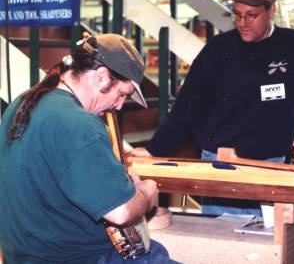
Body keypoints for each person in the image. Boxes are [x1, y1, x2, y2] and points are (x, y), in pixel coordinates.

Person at [129, 0, 294, 214]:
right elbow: (186, 108)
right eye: (238, 14)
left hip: (271, 168)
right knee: (221, 244)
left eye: (252, 15)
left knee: (269, 247)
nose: (243, 22)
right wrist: (153, 150)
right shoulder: (218, 49)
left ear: (271, 10)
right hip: (219, 166)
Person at [0, 33, 179, 264]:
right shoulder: (79, 122)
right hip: (78, 258)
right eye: (121, 94)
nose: (118, 106)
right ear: (102, 76)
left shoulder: (24, 102)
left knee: (156, 251)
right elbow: (121, 212)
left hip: (25, 256)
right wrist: (145, 193)